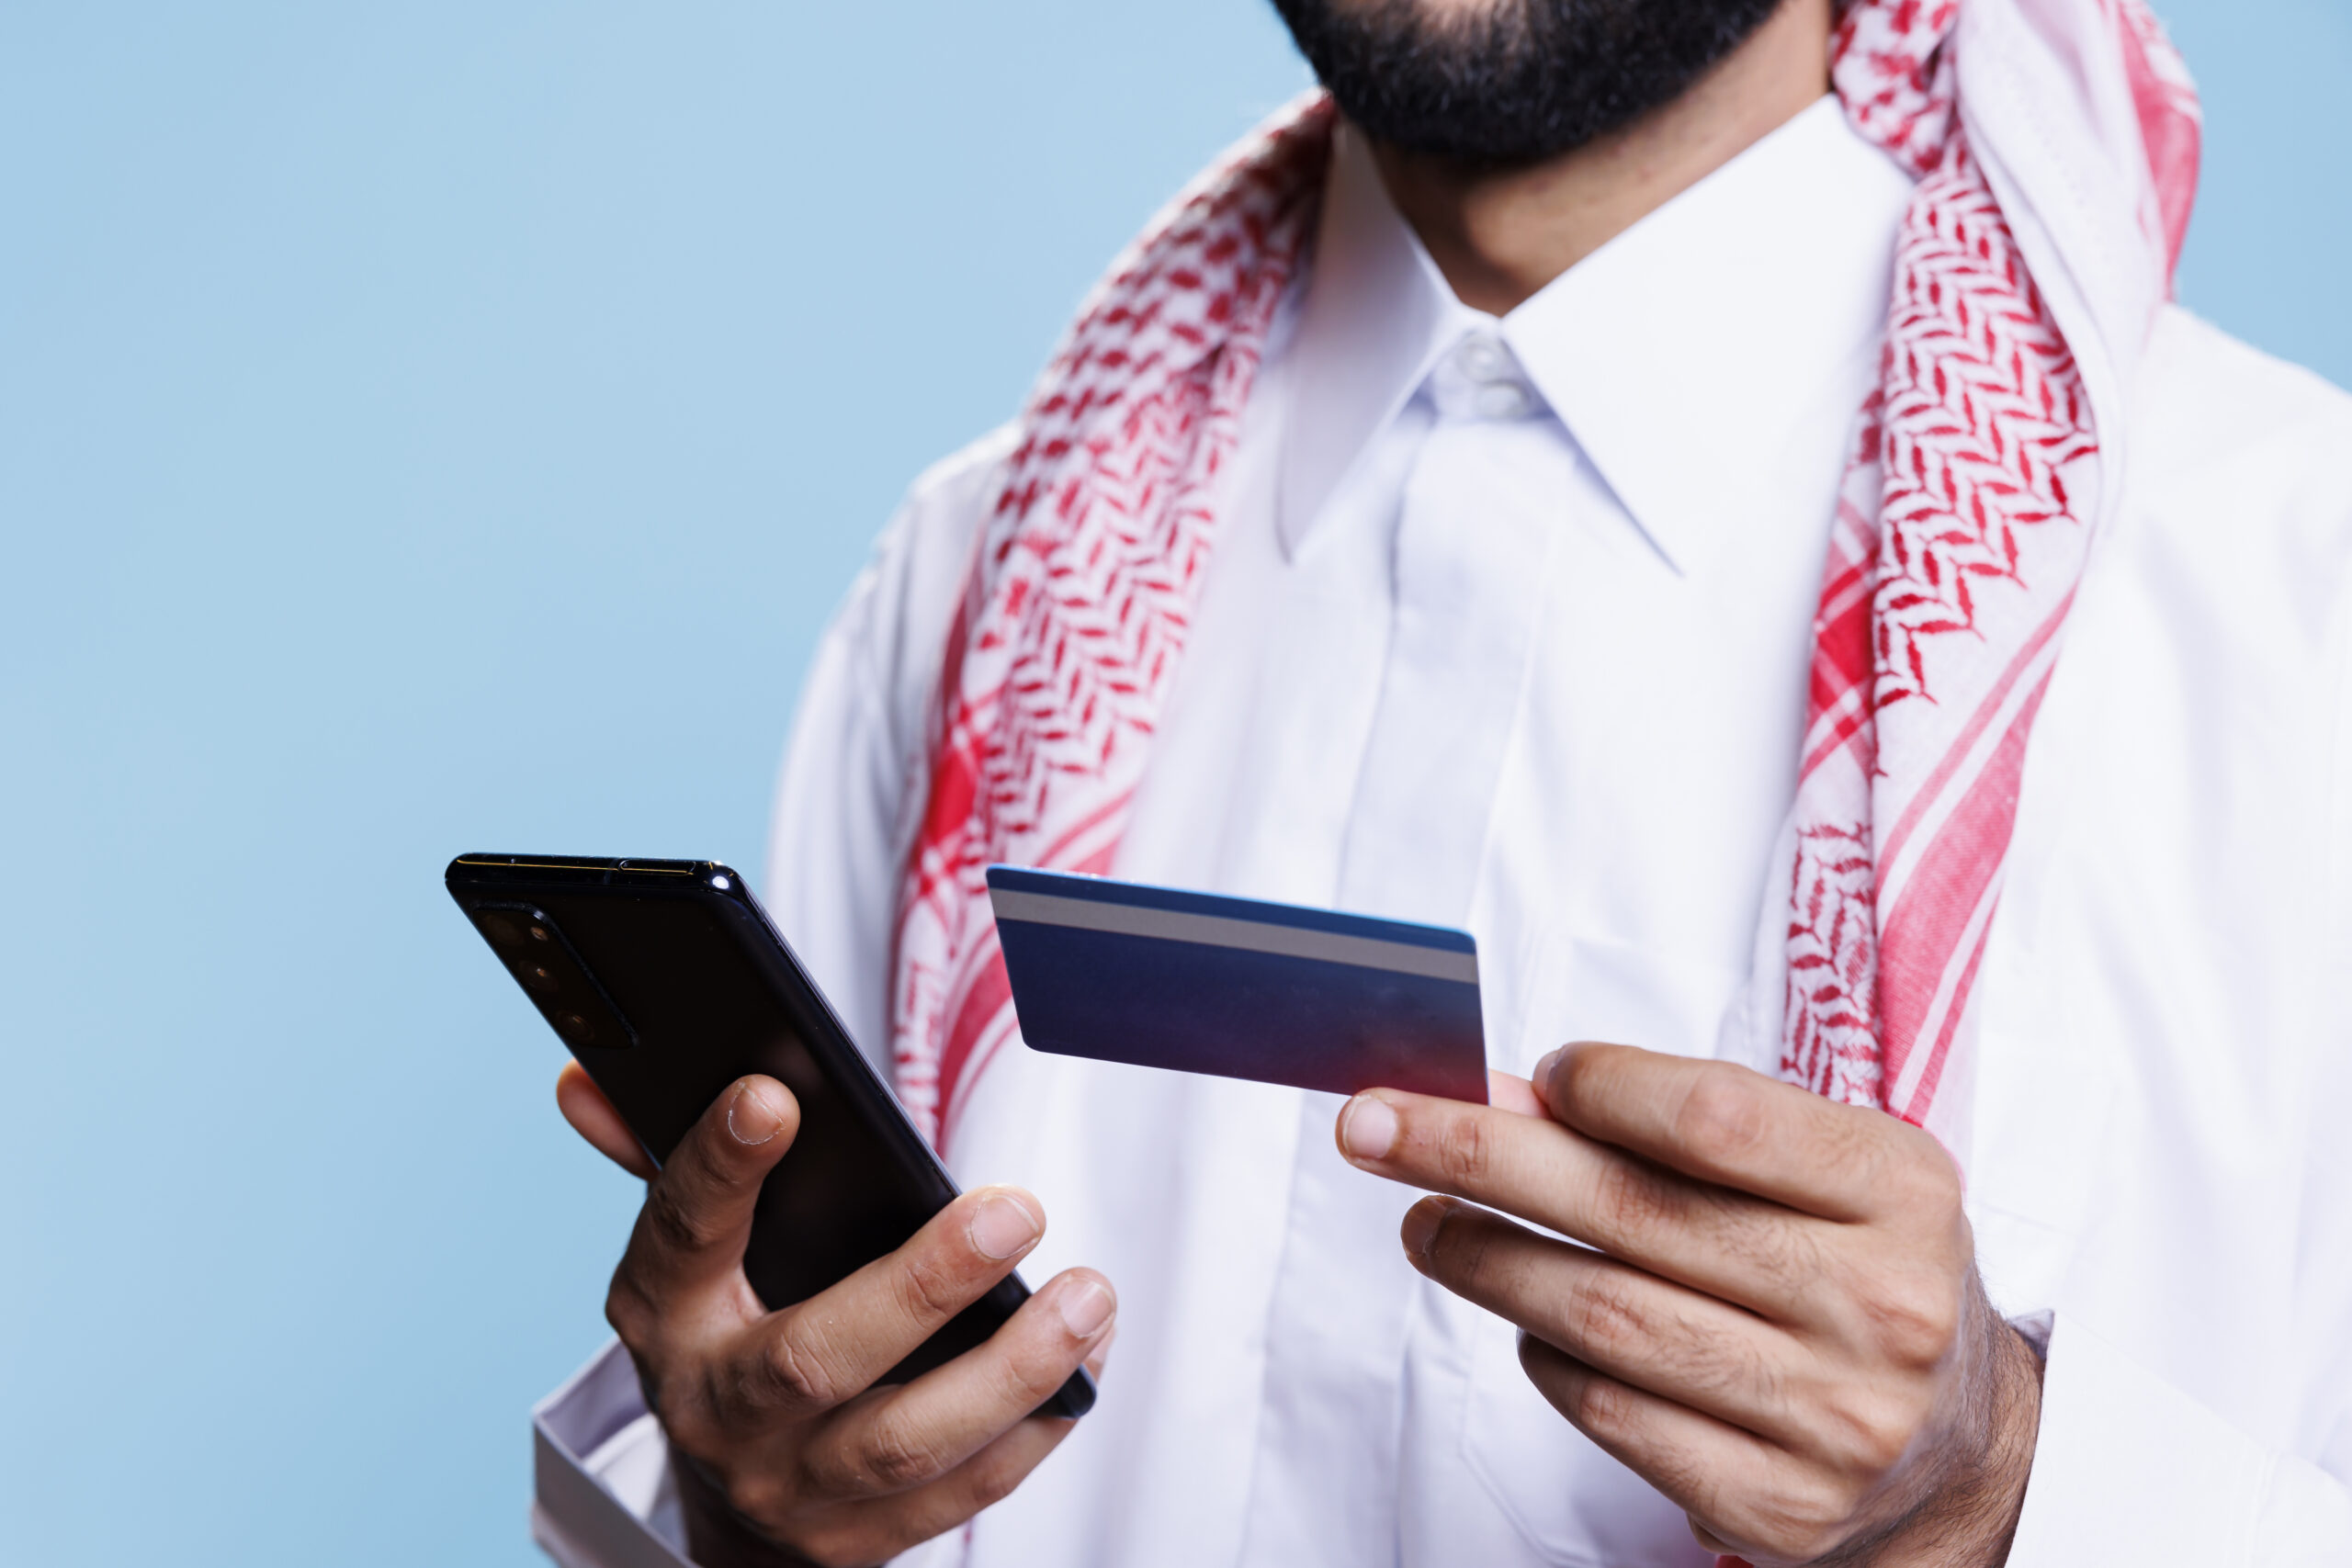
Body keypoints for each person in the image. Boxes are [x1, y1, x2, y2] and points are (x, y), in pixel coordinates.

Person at [526, 0, 2352, 1563]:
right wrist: (742, 1505)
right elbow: (783, 1448)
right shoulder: (970, 590)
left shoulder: (2294, 617)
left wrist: (2012, 1484)